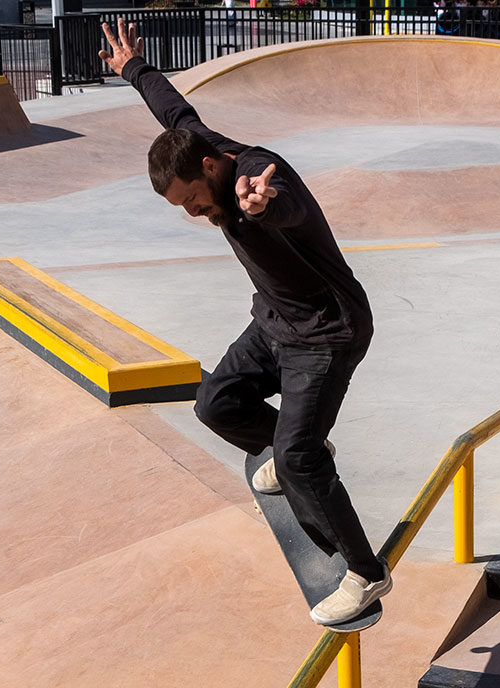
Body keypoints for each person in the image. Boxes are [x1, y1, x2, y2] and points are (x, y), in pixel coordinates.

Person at [99, 18, 391, 627]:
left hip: (326, 332)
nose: (195, 213)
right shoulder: (199, 147)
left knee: (297, 461)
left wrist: (264, 204)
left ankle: (365, 571)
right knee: (216, 404)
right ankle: (300, 444)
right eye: (183, 207)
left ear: (211, 170)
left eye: (194, 201)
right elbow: (174, 112)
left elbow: (282, 203)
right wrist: (133, 70)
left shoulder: (261, 177)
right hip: (276, 321)